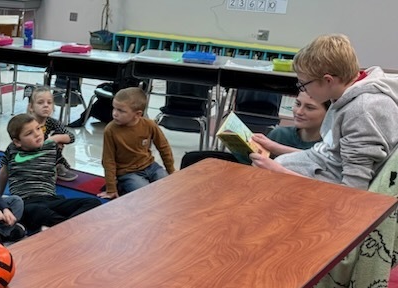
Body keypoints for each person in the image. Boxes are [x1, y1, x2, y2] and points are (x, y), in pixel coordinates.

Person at [250, 34, 398, 190]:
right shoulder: (350, 92)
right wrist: (275, 147)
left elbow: (353, 190)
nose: (303, 90)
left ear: (328, 80)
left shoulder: (361, 112)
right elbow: (331, 155)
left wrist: (278, 171)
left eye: (304, 84)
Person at [0, 114, 101, 231]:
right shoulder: (12, 149)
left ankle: (61, 227)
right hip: (26, 203)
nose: (37, 134)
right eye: (29, 133)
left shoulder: (50, 146)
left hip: (51, 199)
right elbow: (3, 173)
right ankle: (67, 227)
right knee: (38, 212)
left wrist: (55, 138)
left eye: (38, 129)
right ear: (17, 142)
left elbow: (70, 138)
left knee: (93, 203)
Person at [180, 91, 330, 169]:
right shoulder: (280, 134)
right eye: (297, 104)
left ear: (329, 114)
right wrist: (242, 144)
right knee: (194, 159)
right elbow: (247, 163)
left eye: (309, 108)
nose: (299, 111)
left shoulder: (330, 147)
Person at [100, 87, 175, 199]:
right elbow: (108, 160)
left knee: (168, 188)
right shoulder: (110, 130)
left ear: (138, 114)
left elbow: (163, 147)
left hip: (151, 166)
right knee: (145, 196)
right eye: (114, 108)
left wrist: (171, 171)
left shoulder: (150, 125)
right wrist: (111, 188)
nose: (115, 113)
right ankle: (121, 185)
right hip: (127, 172)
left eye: (121, 111)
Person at [26, 86, 77, 181]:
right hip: (28, 155)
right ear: (31, 107)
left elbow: (71, 137)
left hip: (45, 154)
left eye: (49, 103)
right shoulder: (26, 122)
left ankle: (55, 166)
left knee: (59, 138)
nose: (46, 105)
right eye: (40, 102)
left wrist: (56, 139)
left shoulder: (52, 122)